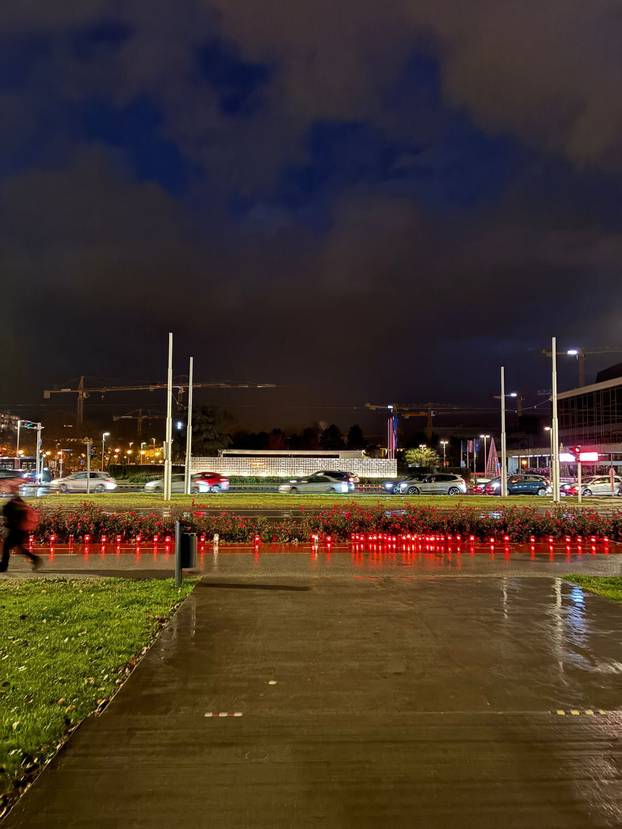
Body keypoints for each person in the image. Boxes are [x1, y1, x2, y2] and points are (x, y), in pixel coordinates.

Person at [1, 477, 42, 572]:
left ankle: (3, 566)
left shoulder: (16, 503)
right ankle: (35, 559)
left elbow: (11, 514)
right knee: (18, 548)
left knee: (7, 546)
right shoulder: (17, 502)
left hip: (16, 530)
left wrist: (6, 517)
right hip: (19, 530)